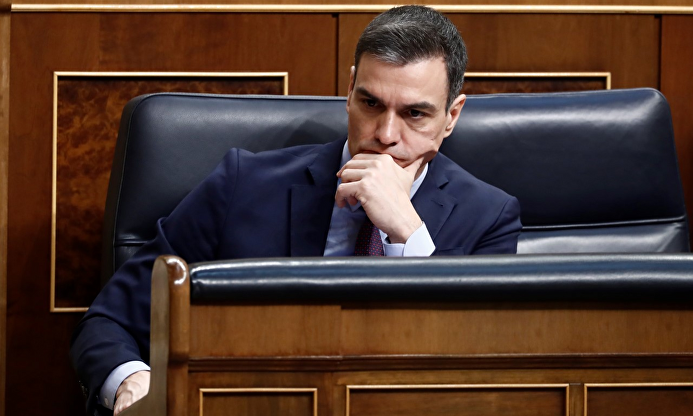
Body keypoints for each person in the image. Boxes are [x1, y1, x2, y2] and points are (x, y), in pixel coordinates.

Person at [70, 5, 522, 415]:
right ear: (350, 89)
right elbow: (111, 321)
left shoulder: (488, 216)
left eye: (415, 114)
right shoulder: (243, 183)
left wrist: (407, 231)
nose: (386, 134)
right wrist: (133, 381)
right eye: (371, 103)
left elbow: (479, 372)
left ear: (452, 115)